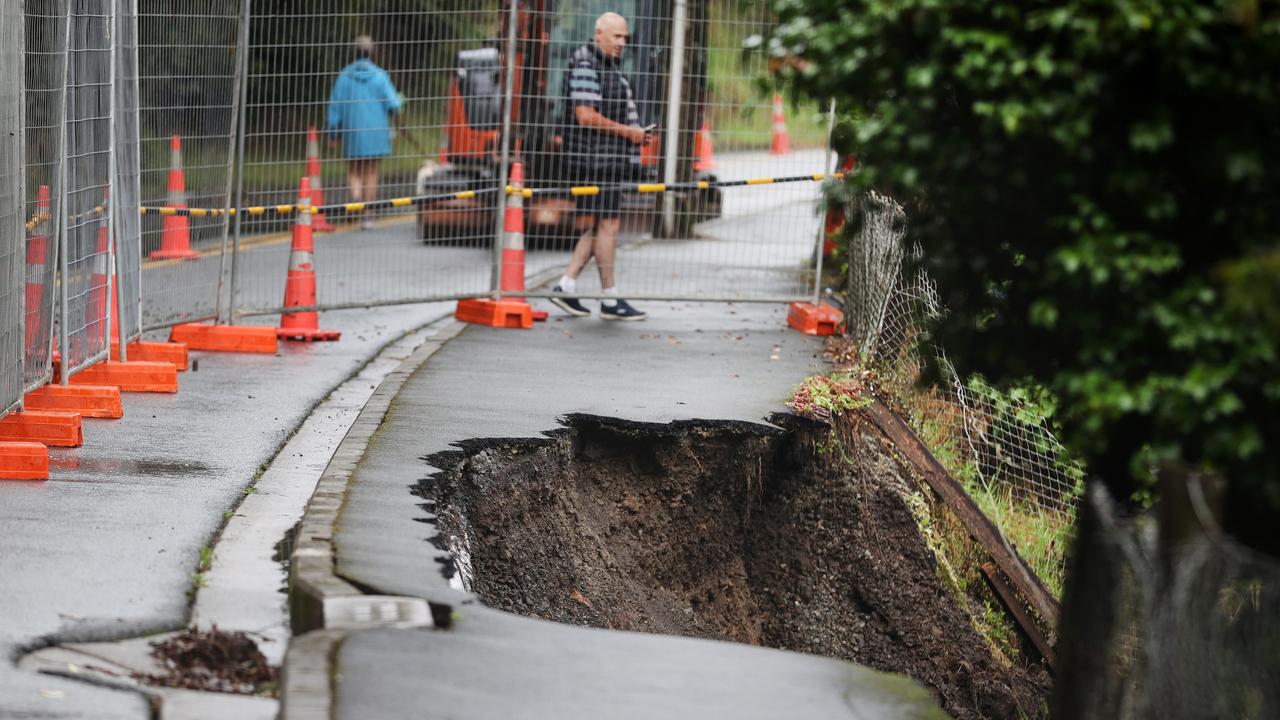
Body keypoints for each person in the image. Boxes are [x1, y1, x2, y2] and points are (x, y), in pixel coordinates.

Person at [550, 12, 649, 321]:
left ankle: (566, 286)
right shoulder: (586, 64)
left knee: (598, 226)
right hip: (596, 161)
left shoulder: (606, 66)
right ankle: (609, 297)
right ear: (598, 34)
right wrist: (628, 132)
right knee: (608, 225)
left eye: (625, 38)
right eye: (617, 36)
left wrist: (634, 134)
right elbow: (586, 116)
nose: (622, 43)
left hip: (606, 159)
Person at [327, 35, 401, 231]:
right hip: (377, 132)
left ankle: (356, 199)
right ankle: (368, 213)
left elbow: (335, 107)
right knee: (371, 171)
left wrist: (333, 133)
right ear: (371, 53)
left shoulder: (344, 76)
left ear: (354, 52)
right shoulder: (380, 76)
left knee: (354, 169)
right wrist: (397, 121)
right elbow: (394, 103)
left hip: (353, 130)